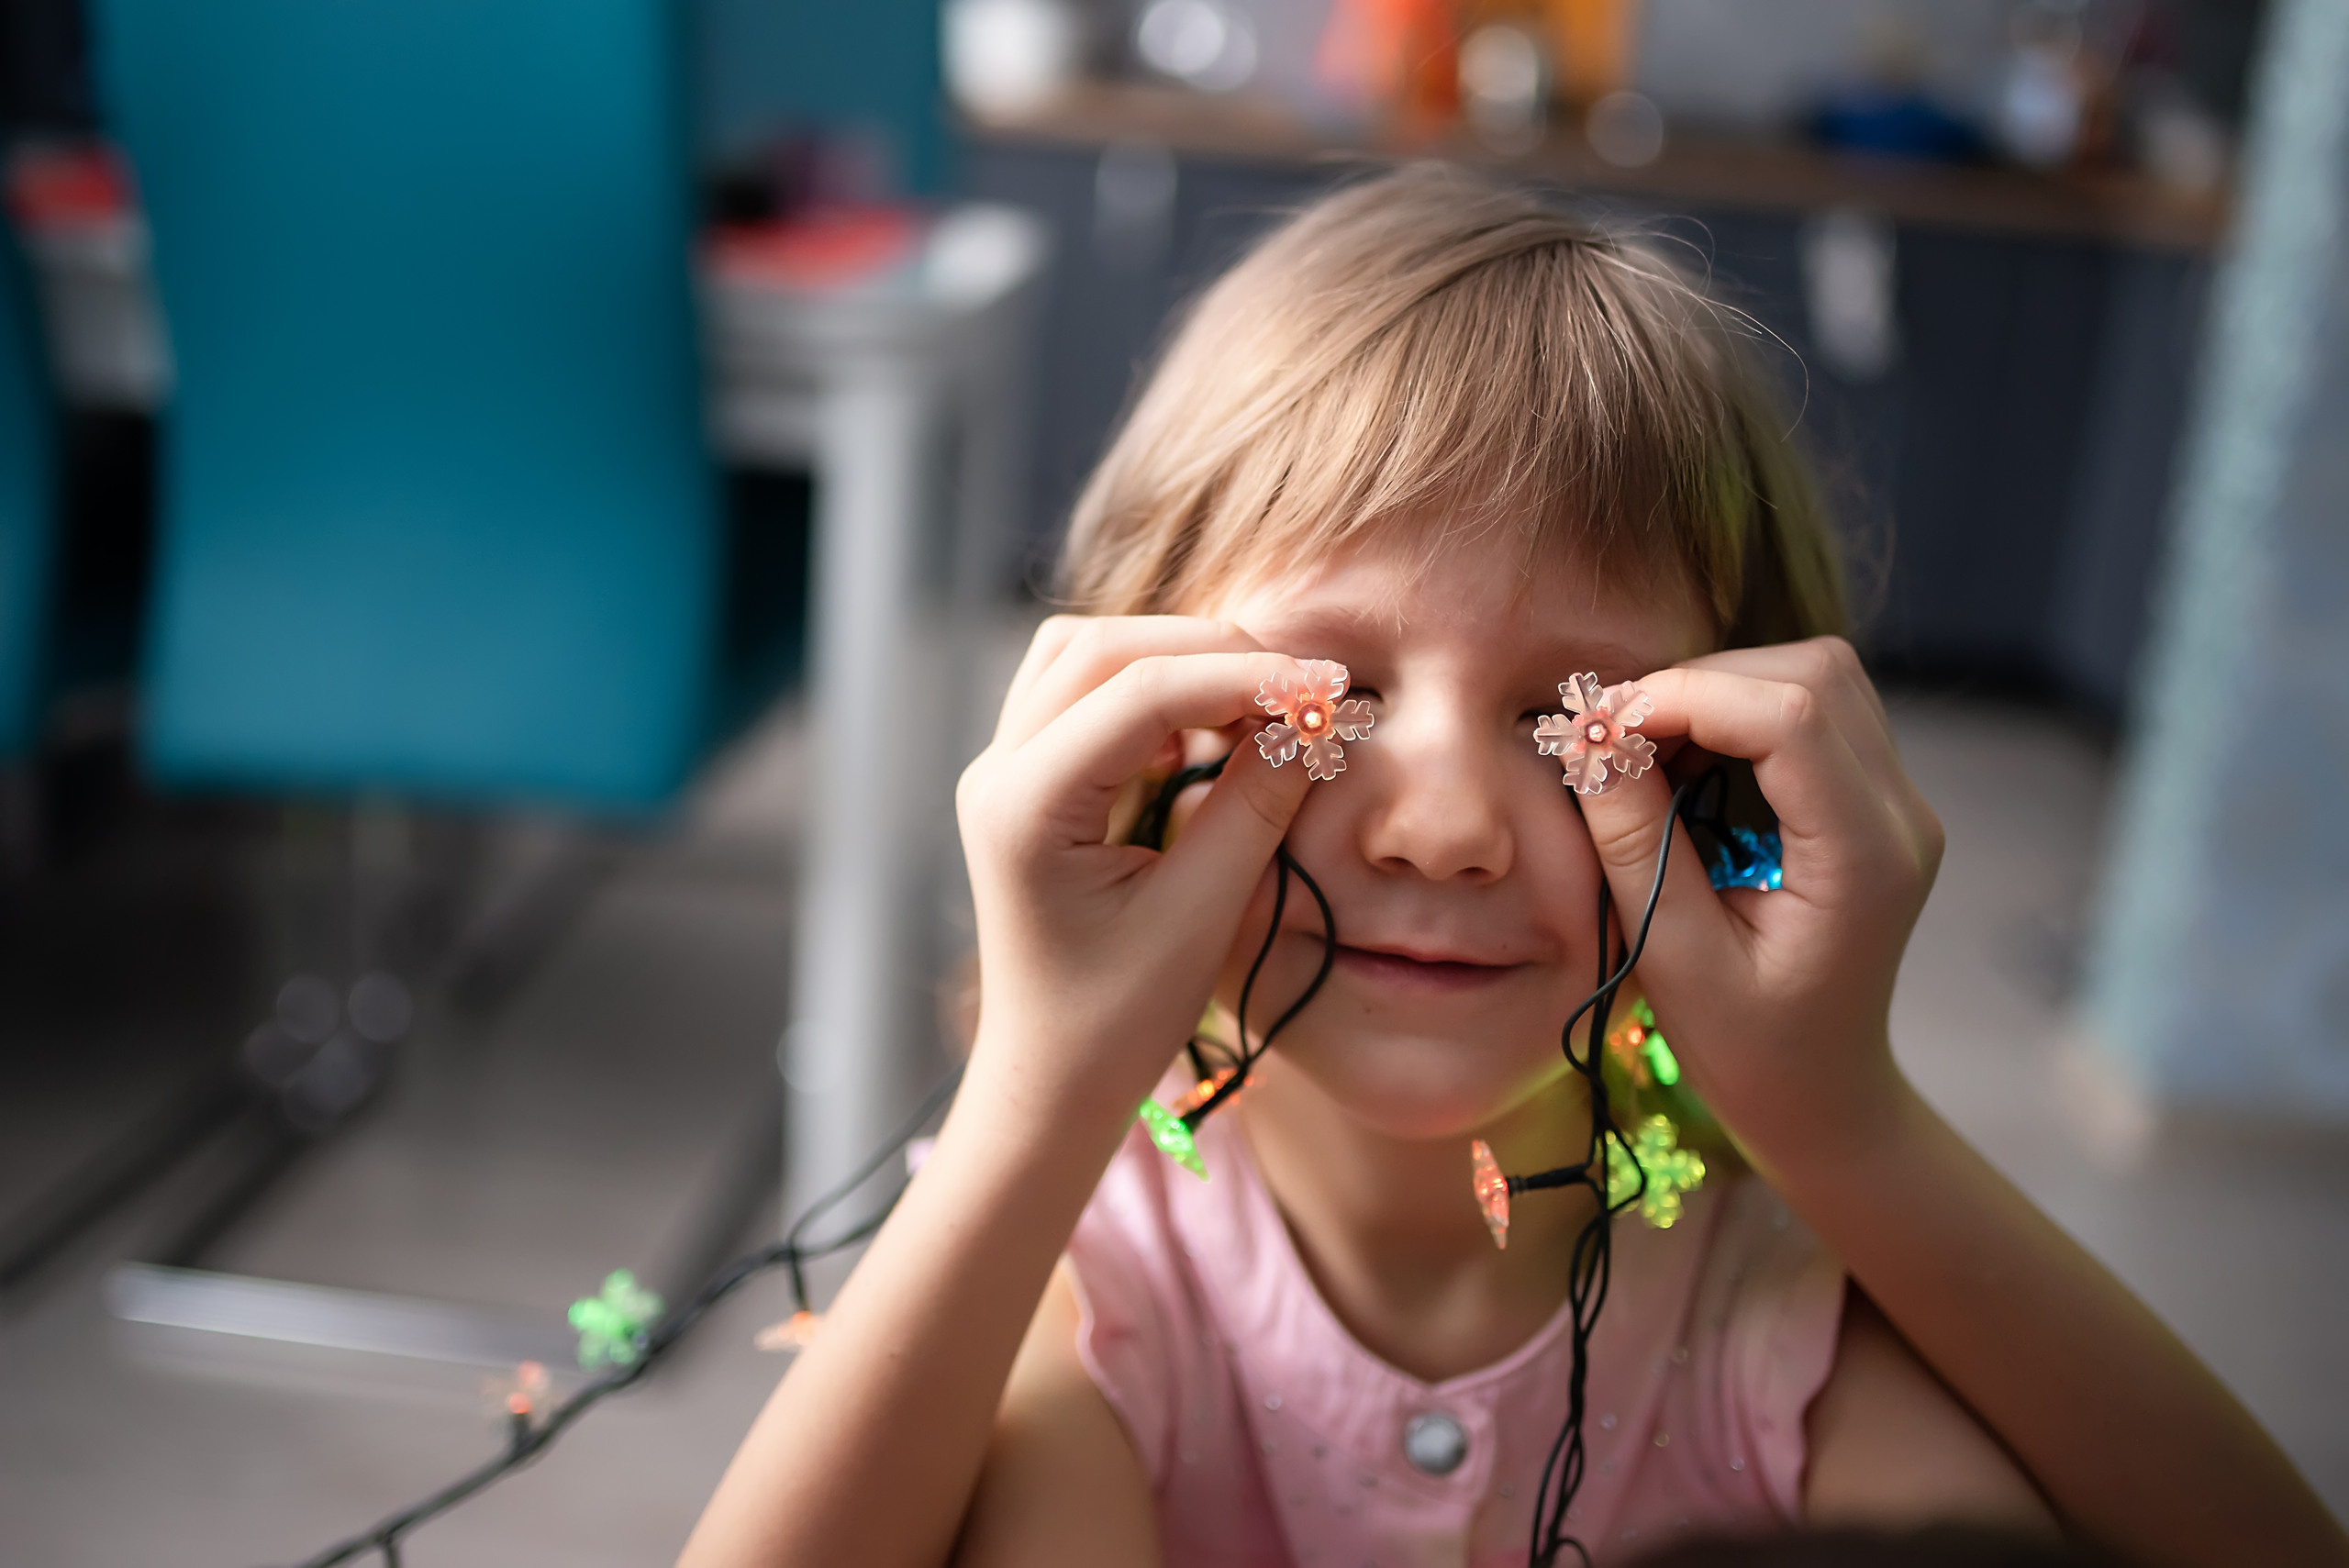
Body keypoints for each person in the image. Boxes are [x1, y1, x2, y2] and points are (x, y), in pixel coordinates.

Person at [678, 169, 2343, 1568]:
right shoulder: (1094, 1292)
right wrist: (1041, 1093)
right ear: (1140, 723)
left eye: (1571, 715)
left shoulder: (1772, 1326)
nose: (1447, 824)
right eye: (1335, 696)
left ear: (1733, 779)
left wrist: (1838, 1114)